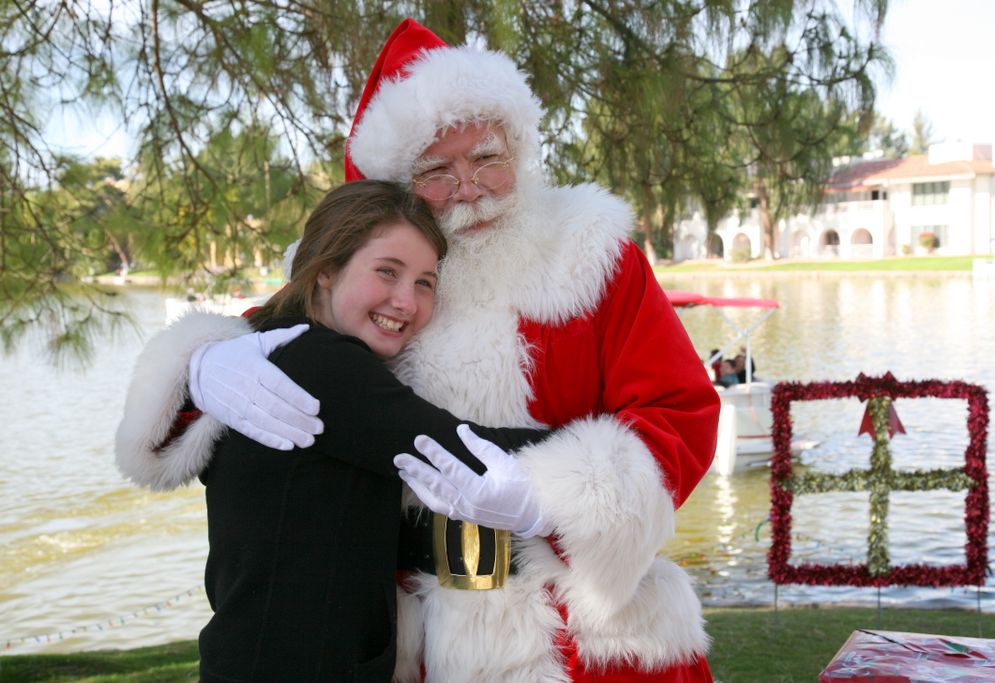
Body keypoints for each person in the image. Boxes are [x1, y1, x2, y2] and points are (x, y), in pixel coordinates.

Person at [115, 18, 721, 683]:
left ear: (519, 147)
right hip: (418, 641)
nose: (470, 186)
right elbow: (272, 346)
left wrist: (550, 495)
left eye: (487, 155)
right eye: (438, 171)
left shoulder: (594, 257)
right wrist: (201, 361)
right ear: (402, 185)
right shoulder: (378, 275)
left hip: (582, 629)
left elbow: (680, 412)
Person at [142, 180, 548, 681]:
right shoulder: (318, 361)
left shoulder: (269, 349)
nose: (406, 301)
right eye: (387, 272)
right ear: (327, 271)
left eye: (424, 282)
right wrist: (615, 446)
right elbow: (457, 450)